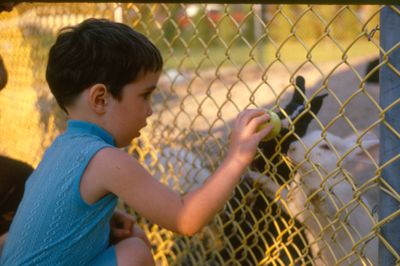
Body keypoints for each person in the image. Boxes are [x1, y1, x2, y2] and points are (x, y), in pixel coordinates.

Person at [0, 18, 274, 266]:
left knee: (131, 238)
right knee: (135, 252)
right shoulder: (105, 158)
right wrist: (237, 157)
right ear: (100, 99)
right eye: (145, 95)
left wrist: (101, 226)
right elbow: (185, 218)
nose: (150, 109)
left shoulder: (61, 148)